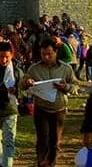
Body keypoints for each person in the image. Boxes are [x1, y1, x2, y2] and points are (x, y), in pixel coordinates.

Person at [22, 39, 77, 167]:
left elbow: (75, 86)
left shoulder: (66, 68)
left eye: (49, 54)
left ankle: (51, 162)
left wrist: (65, 87)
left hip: (59, 109)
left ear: (56, 52)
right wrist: (27, 82)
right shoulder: (34, 69)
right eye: (43, 54)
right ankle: (41, 162)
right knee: (42, 139)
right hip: (41, 108)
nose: (46, 57)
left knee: (55, 141)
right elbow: (23, 83)